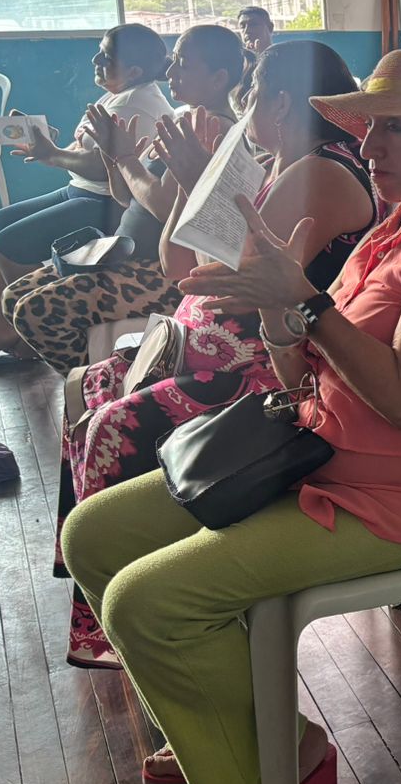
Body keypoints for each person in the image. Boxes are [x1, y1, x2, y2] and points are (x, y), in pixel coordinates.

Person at [60, 47, 401, 784]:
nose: (369, 147)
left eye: (394, 129)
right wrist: (281, 314)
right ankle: (263, 739)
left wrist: (306, 302)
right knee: (92, 536)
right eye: (368, 129)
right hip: (317, 456)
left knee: (146, 605)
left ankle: (246, 778)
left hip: (399, 501)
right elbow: (299, 373)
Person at [53, 39, 381, 670]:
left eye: (252, 93)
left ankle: (125, 613)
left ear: (280, 102)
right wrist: (192, 181)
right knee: (93, 387)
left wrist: (200, 177)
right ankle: (106, 586)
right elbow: (178, 266)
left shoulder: (322, 172)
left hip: (276, 368)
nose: (245, 105)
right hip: (221, 350)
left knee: (111, 425)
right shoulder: (280, 165)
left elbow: (222, 274)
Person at [0, 24, 245, 373]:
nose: (170, 73)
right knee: (14, 296)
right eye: (174, 61)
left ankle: (99, 381)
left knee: (33, 312)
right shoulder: (180, 117)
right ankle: (97, 376)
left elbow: (163, 206)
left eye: (184, 64)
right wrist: (113, 154)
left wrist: (126, 159)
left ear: (218, 79)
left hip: (161, 270)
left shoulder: (211, 128)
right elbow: (125, 195)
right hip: (127, 252)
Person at [0, 24, 177, 373]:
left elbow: (103, 168)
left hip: (105, 202)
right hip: (81, 189)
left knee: (11, 244)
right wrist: (49, 147)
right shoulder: (118, 95)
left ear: (134, 71)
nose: (95, 60)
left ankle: (20, 329)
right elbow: (85, 147)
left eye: (105, 56)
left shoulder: (134, 105)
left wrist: (52, 155)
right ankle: (6, 325)